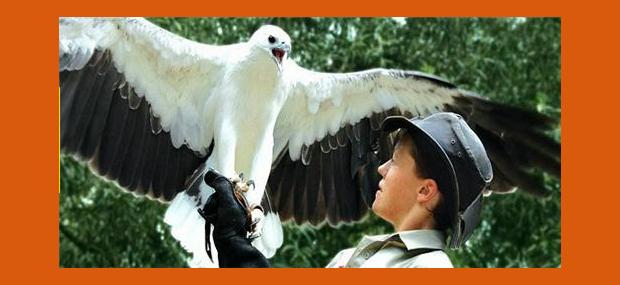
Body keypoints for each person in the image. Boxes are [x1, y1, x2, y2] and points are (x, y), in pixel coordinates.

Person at [201, 112, 493, 268]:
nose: (382, 169)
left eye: (395, 161)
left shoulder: (429, 268)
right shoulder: (351, 257)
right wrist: (234, 243)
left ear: (425, 191)